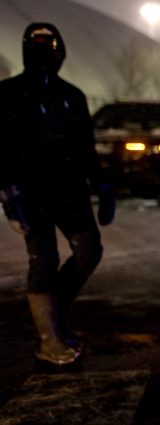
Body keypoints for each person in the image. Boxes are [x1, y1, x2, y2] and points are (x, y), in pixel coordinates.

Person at [0, 23, 115, 365]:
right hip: (30, 195)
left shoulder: (72, 96)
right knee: (43, 261)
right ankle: (49, 339)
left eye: (48, 46)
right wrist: (9, 199)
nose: (42, 54)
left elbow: (86, 150)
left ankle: (56, 310)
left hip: (70, 193)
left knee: (88, 251)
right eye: (36, 47)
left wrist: (102, 186)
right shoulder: (7, 95)